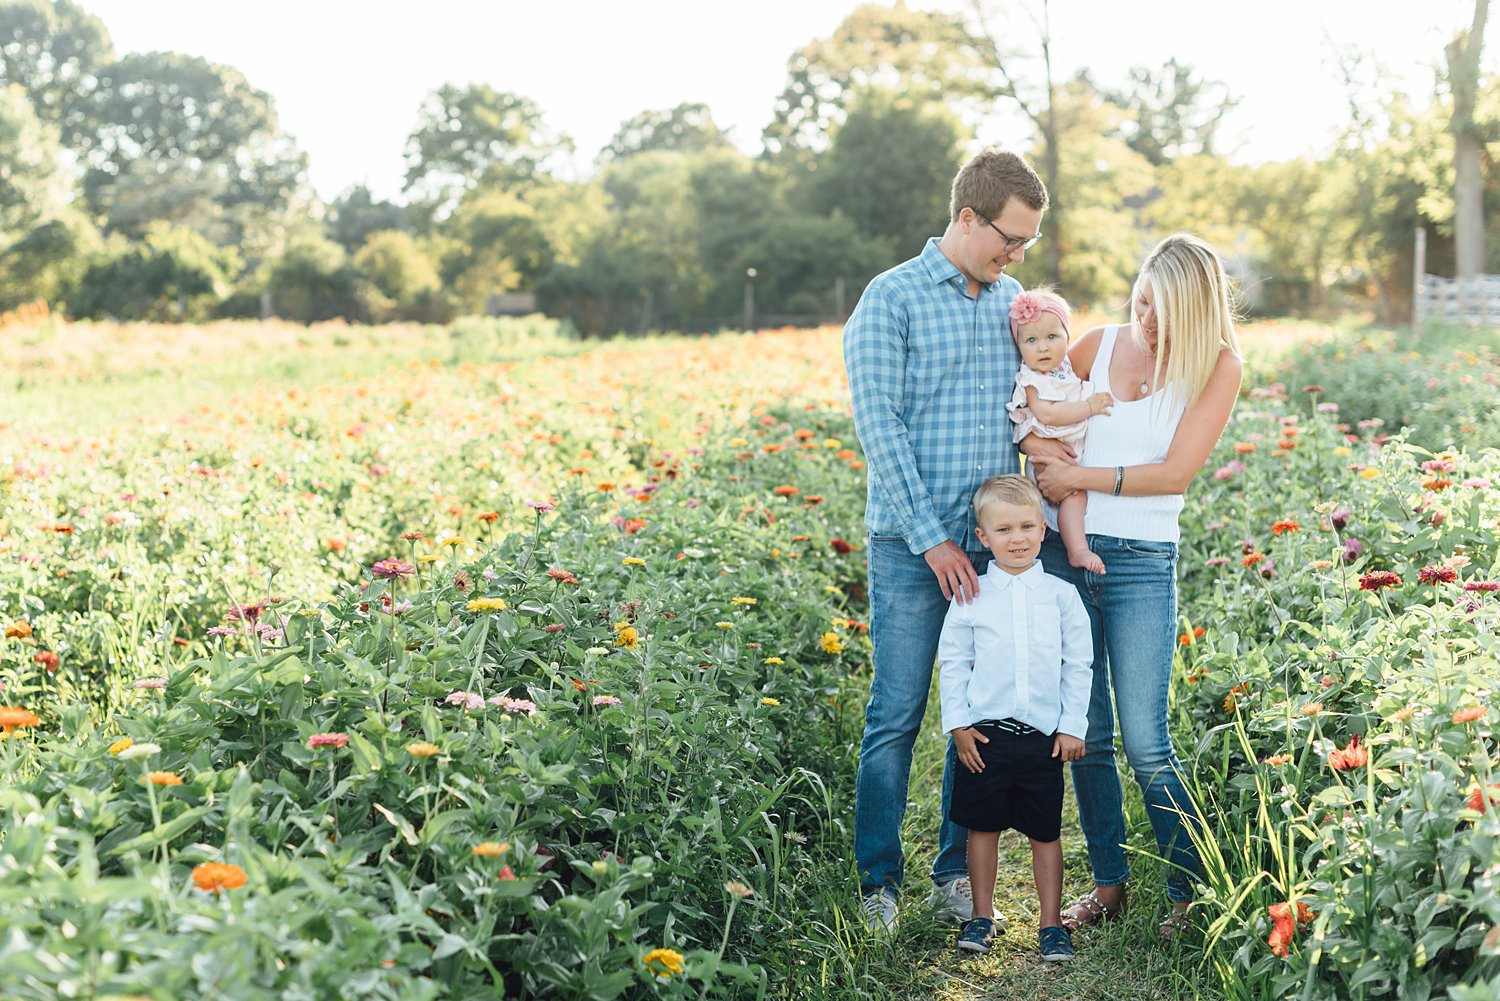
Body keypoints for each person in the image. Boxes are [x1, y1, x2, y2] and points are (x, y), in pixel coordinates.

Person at [843, 147, 1049, 934]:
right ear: (968, 216)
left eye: (1027, 243)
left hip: (993, 548)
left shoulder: (1014, 302)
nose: (1017, 254)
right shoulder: (889, 298)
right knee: (896, 711)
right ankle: (878, 883)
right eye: (1010, 237)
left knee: (982, 710)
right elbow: (880, 428)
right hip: (909, 545)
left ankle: (954, 868)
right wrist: (933, 539)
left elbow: (1034, 399)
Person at [1026, 233, 1244, 941]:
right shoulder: (1093, 345)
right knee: (1085, 730)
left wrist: (1077, 478)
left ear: (1200, 312)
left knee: (1148, 740)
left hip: (1145, 559)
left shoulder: (1218, 365)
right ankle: (1110, 882)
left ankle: (1185, 890)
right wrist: (1041, 461)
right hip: (1067, 551)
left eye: (1165, 313)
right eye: (1143, 302)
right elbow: (1036, 416)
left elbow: (1175, 472)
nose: (1147, 323)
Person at [937, 475, 1092, 961]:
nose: (1018, 538)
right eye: (1003, 530)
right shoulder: (972, 595)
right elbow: (955, 662)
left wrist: (1072, 726)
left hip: (1044, 736)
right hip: (985, 737)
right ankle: (981, 917)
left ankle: (1051, 925)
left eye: (1027, 525)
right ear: (983, 538)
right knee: (983, 827)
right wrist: (958, 725)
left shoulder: (1063, 596)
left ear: (1044, 528)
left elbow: (1078, 663)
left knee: (1045, 830)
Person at [1005, 289, 1114, 573]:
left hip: (1068, 453)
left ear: (1068, 337)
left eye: (1052, 337)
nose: (1042, 347)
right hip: (1047, 458)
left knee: (1076, 496)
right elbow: (1048, 414)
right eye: (1031, 340)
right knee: (1073, 496)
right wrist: (1089, 406)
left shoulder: (1065, 368)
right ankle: (1077, 550)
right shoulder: (1031, 379)